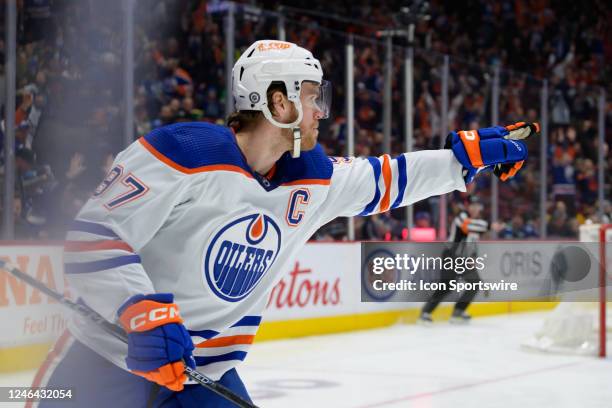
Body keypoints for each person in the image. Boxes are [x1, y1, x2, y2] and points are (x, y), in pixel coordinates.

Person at [33, 40, 538, 407]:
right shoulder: (182, 153)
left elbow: (387, 179)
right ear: (277, 101)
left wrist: (463, 159)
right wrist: (139, 311)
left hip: (205, 371)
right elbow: (91, 238)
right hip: (105, 357)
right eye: (312, 95)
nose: (321, 110)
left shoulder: (311, 176)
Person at [418, 196, 502, 325]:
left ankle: (458, 311)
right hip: (451, 256)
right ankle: (426, 312)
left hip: (463, 259)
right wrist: (490, 225)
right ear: (468, 206)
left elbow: (472, 242)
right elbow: (467, 227)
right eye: (473, 206)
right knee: (447, 285)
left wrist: (473, 258)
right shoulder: (462, 216)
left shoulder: (476, 224)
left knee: (474, 283)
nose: (475, 209)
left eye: (478, 206)